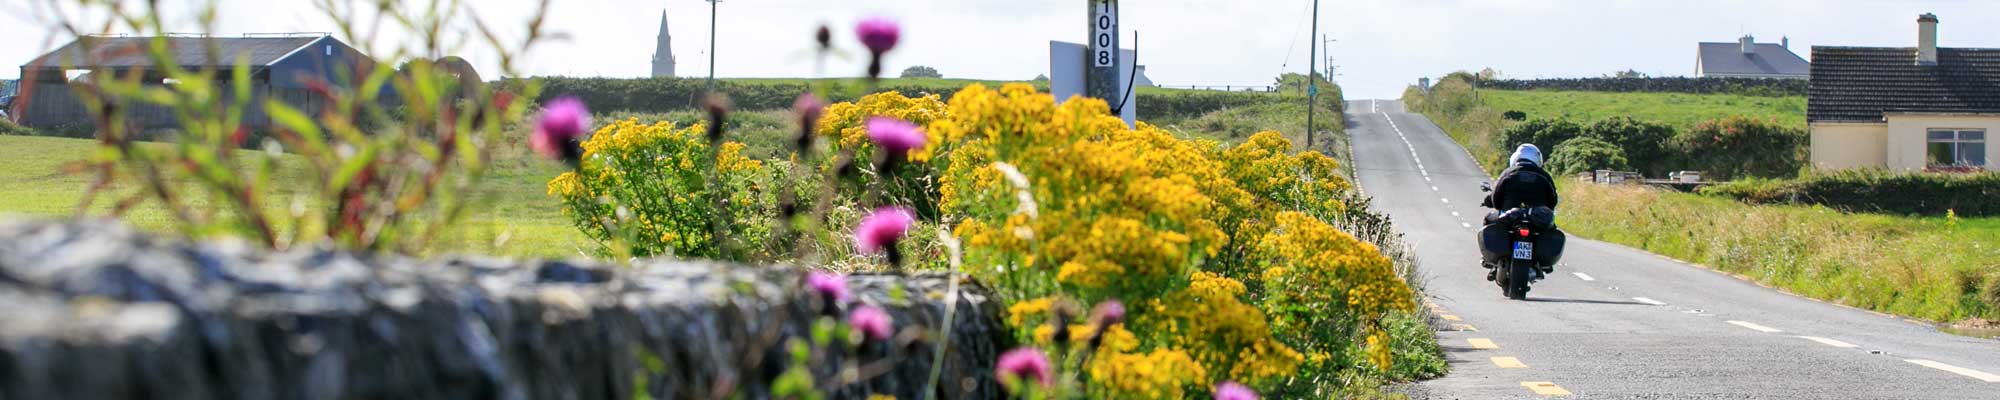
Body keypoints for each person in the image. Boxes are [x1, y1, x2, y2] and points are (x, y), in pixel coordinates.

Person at [1480, 144, 1563, 280]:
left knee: (1488, 220)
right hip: (1536, 218)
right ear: (1537, 159)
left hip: (1510, 216)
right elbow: (1552, 200)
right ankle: (1543, 263)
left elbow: (1496, 197)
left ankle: (1488, 260)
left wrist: (1497, 204)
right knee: (1551, 228)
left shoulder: (1508, 172)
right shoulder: (1544, 175)